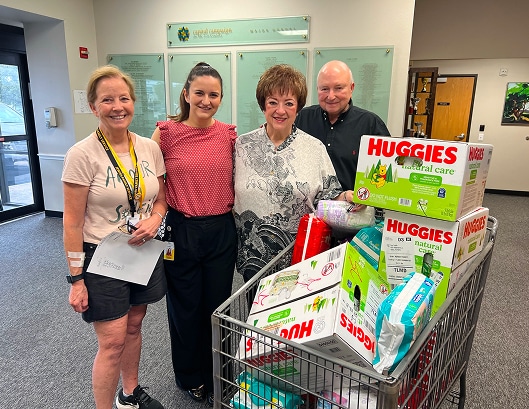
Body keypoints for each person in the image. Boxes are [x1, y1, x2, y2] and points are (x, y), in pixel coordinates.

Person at [62, 65, 167, 409]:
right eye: (107, 100)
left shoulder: (149, 148)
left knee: (135, 326)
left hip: (142, 251)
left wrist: (155, 218)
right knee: (111, 343)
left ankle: (129, 393)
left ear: (133, 102)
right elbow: (72, 224)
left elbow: (161, 199)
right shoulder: (82, 155)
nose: (117, 106)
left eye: (123, 98)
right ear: (94, 107)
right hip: (102, 257)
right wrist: (77, 279)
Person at [151, 63, 237, 407]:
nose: (206, 100)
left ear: (221, 98)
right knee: (185, 307)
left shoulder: (229, 134)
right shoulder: (165, 133)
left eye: (213, 94)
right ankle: (190, 376)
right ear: (186, 94)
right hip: (181, 229)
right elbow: (150, 184)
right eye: (199, 93)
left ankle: (220, 373)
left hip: (220, 231)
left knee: (217, 307)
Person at [234, 64, 354, 283]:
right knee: (252, 315)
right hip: (253, 260)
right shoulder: (241, 146)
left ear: (298, 107)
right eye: (273, 102)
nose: (280, 110)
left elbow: (329, 196)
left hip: (301, 259)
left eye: (288, 103)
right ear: (263, 105)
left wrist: (348, 197)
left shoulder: (314, 148)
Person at [295, 60, 390, 191]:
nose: (331, 96)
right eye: (324, 89)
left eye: (338, 88)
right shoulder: (301, 119)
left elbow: (384, 176)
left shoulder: (371, 125)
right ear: (317, 89)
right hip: (309, 209)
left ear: (352, 88)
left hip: (354, 208)